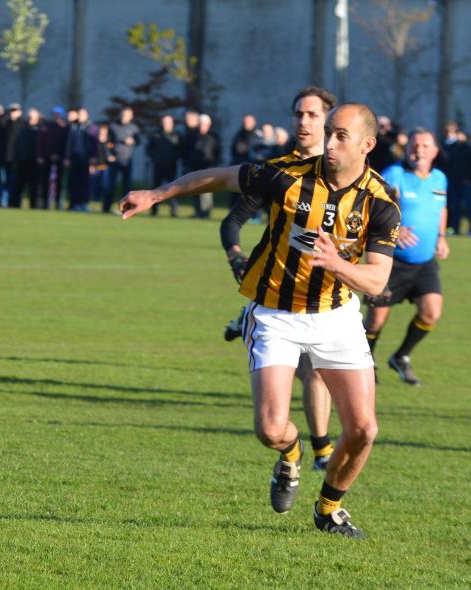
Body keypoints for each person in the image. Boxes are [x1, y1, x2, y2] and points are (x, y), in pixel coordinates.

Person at [119, 102, 400, 539]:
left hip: (336, 316)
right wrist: (156, 194)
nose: (328, 142)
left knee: (364, 430)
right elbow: (219, 176)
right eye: (328, 131)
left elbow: (377, 278)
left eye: (340, 135)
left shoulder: (380, 200)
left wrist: (335, 263)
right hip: (275, 314)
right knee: (271, 429)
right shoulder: (287, 176)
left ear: (367, 144)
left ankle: (329, 509)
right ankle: (291, 454)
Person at [221, 86, 339, 472]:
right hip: (280, 294)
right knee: (293, 394)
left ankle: (322, 450)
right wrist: (235, 255)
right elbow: (233, 219)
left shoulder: (351, 174)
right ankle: (309, 450)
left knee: (318, 373)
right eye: (298, 114)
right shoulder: (278, 172)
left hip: (330, 294)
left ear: (330, 122)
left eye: (312, 115)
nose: (303, 122)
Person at [364, 128, 450, 387]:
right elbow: (374, 208)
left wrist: (441, 236)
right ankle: (365, 362)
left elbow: (441, 207)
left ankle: (401, 356)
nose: (418, 150)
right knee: (376, 320)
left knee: (431, 312)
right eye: (414, 145)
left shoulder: (439, 179)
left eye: (425, 145)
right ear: (406, 148)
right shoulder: (394, 174)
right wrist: (396, 229)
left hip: (424, 264)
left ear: (435, 151)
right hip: (391, 262)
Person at [147, 114, 181, 217]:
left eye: (168, 122)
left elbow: (181, 150)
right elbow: (149, 149)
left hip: (171, 166)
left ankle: (174, 211)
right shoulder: (156, 135)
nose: (166, 124)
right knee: (156, 188)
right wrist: (155, 158)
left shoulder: (177, 136)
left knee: (173, 189)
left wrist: (173, 158)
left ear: (172, 124)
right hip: (158, 165)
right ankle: (154, 210)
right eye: (164, 122)